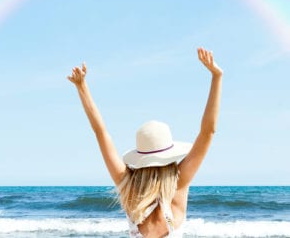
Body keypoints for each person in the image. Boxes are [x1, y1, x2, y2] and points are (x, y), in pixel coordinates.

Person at [67, 47, 223, 238]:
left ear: (141, 155)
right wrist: (216, 76)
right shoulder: (178, 184)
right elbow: (208, 132)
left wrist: (82, 87)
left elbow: (101, 133)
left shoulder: (128, 187)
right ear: (169, 154)